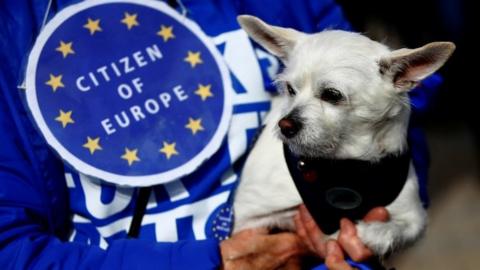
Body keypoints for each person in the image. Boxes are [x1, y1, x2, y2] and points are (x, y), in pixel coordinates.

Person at [0, 0, 440, 269]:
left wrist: (361, 225)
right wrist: (212, 262)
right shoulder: (13, 29)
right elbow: (10, 250)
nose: (291, 113)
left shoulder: (292, 7)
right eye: (288, 90)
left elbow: (387, 114)